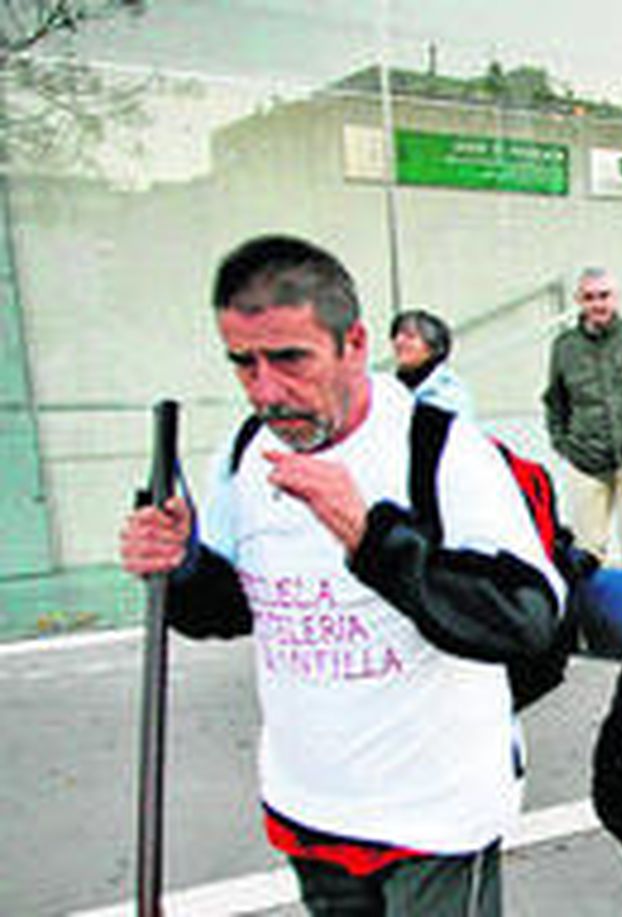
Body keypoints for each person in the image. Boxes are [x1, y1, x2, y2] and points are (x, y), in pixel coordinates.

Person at [119, 236, 565, 916]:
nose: (266, 392)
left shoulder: (440, 448)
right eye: (243, 363)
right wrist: (182, 567)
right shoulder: (246, 448)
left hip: (435, 816)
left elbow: (526, 619)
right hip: (309, 803)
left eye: (290, 358)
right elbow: (237, 608)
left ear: (354, 343)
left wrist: (373, 538)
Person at [544, 267, 622, 567]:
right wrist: (562, 443)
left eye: (604, 296)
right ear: (579, 301)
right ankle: (597, 602)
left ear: (616, 297)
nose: (598, 304)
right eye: (589, 297)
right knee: (588, 554)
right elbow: (555, 400)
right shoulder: (564, 347)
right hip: (586, 463)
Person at [391, 308, 476, 418]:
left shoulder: (447, 390)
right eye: (396, 336)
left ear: (432, 347)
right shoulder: (391, 386)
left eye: (410, 337)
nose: (399, 341)